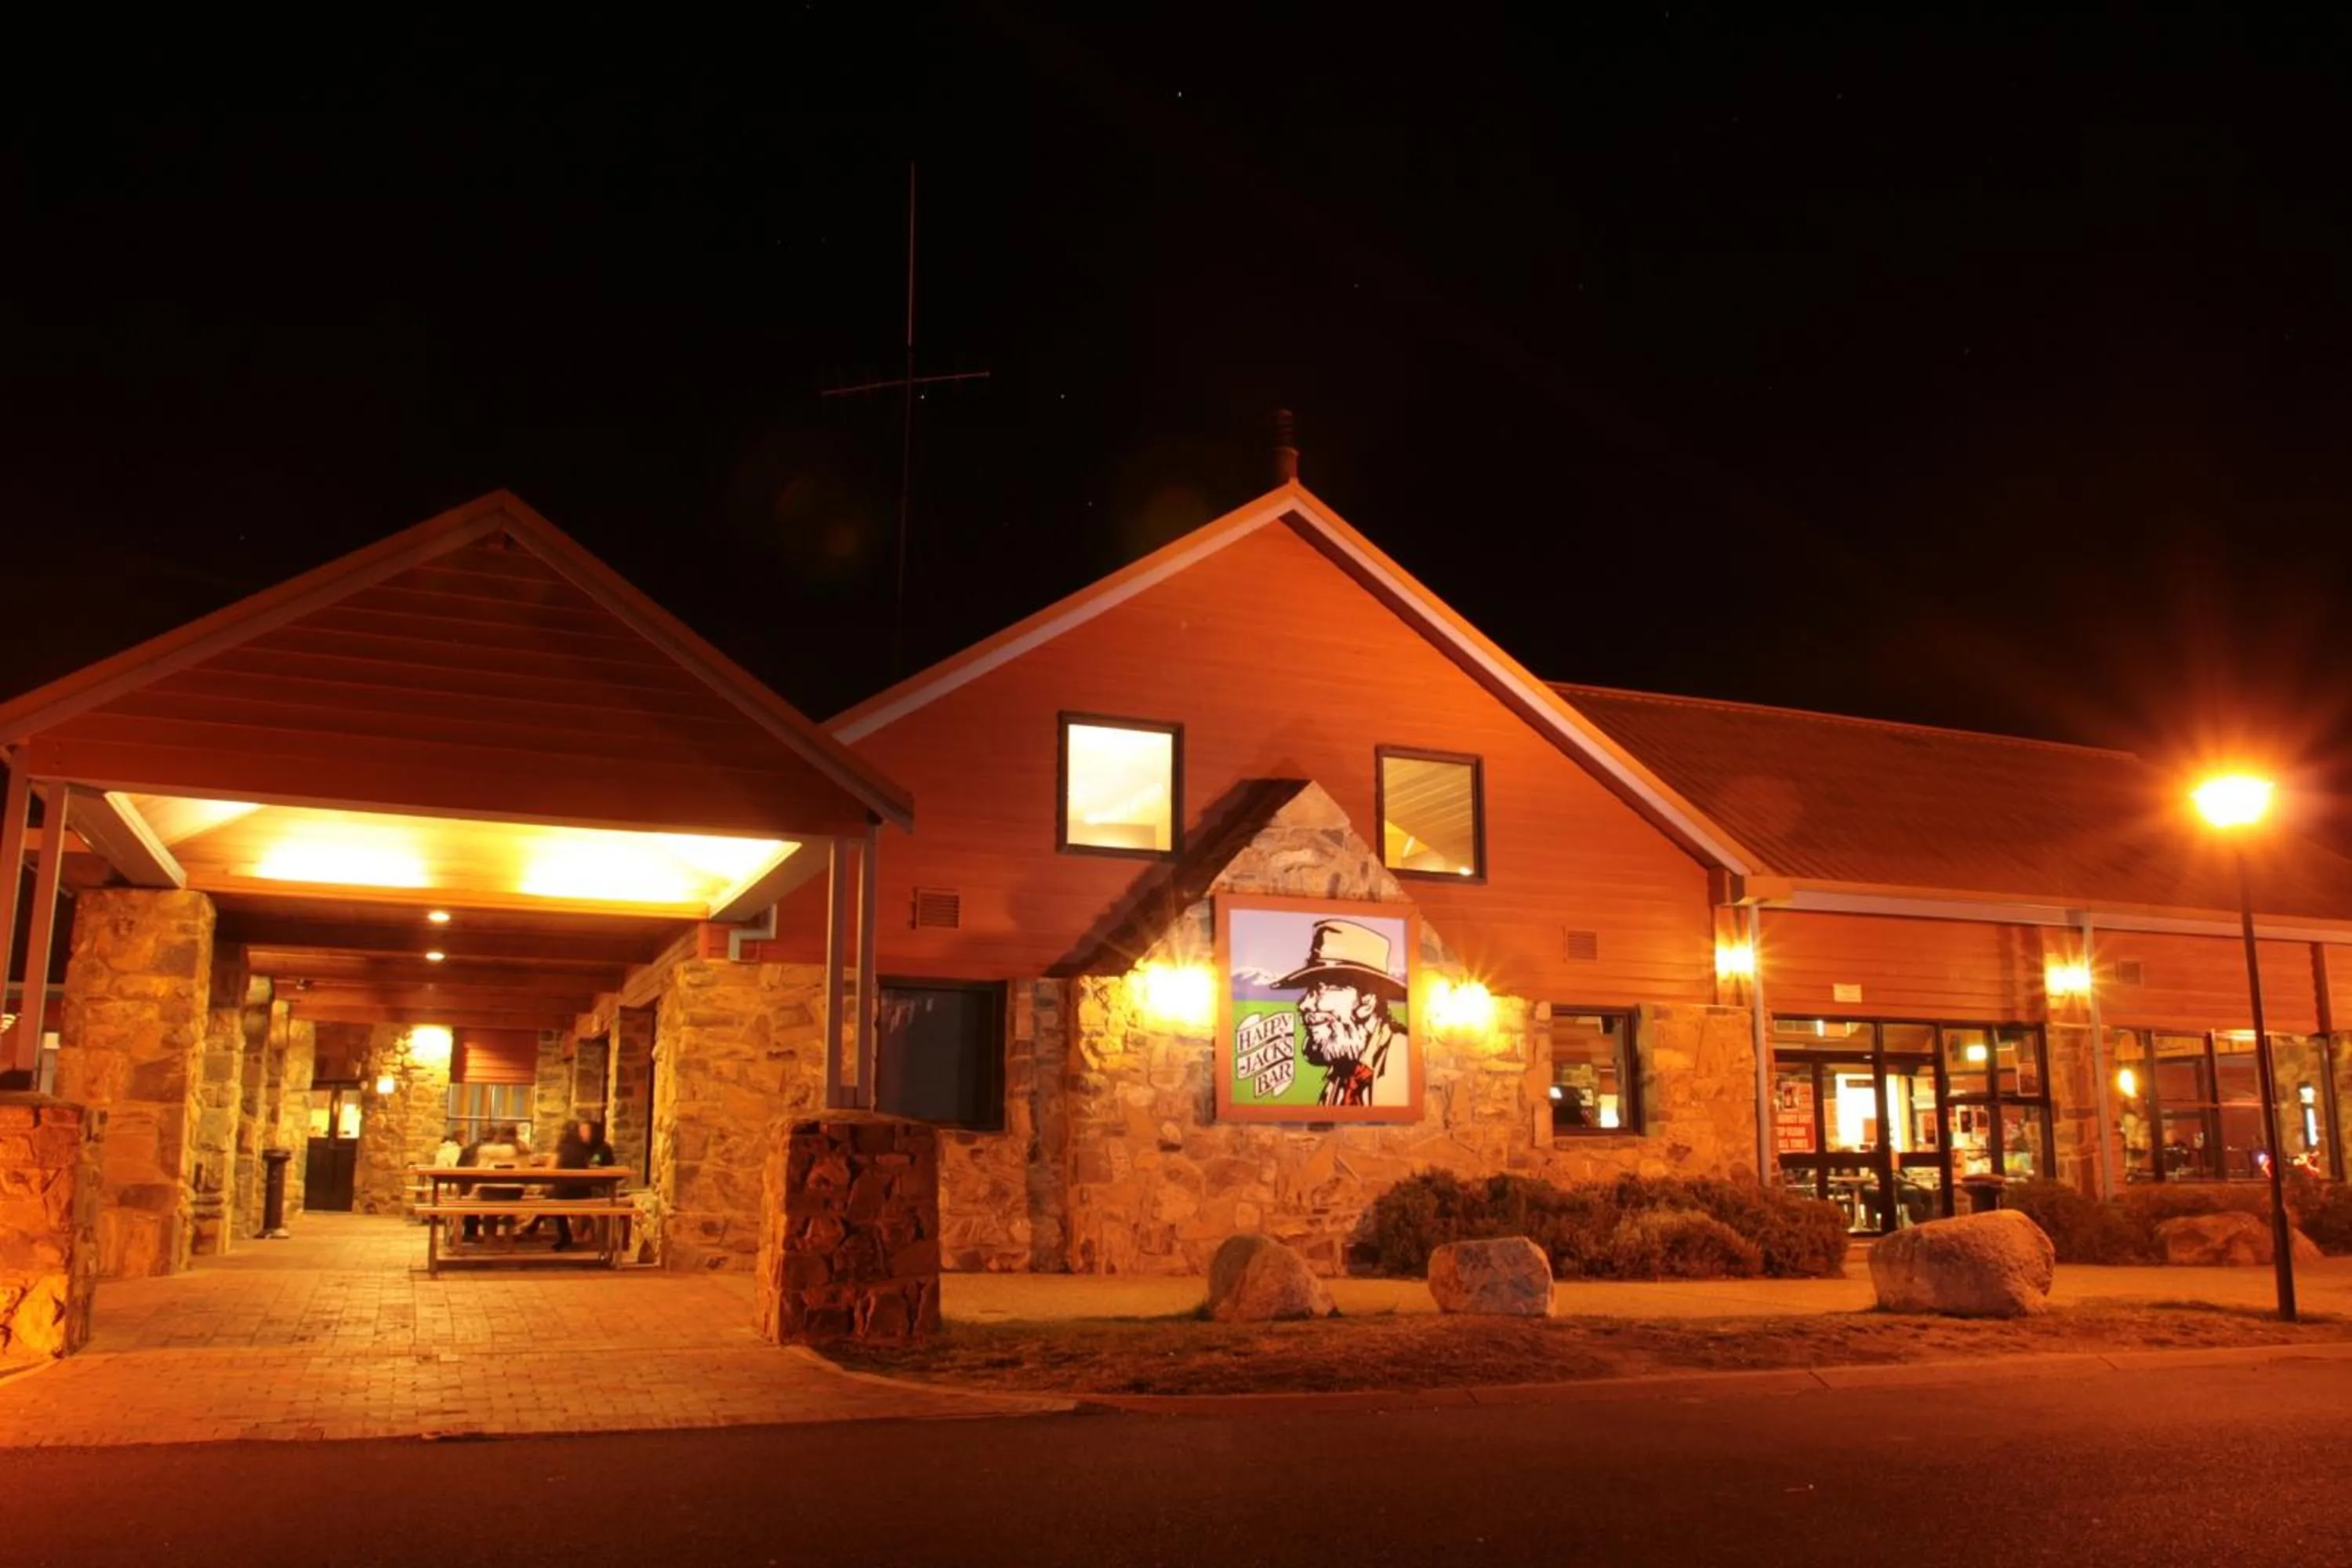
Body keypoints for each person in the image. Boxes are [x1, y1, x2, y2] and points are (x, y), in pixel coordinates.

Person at [1272, 919, 1409, 1107]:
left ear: (1367, 1002)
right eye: (1309, 991)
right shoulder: (1340, 1074)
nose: (1304, 1004)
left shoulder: (1401, 1056)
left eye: (1321, 990)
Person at [550, 1120, 618, 1253]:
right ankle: (564, 1235)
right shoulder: (579, 1147)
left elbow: (594, 1165)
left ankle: (542, 1227)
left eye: (585, 1131)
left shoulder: (602, 1148)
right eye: (580, 1131)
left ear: (594, 1133)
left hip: (598, 1189)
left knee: (555, 1196)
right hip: (581, 1186)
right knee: (555, 1196)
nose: (582, 1134)